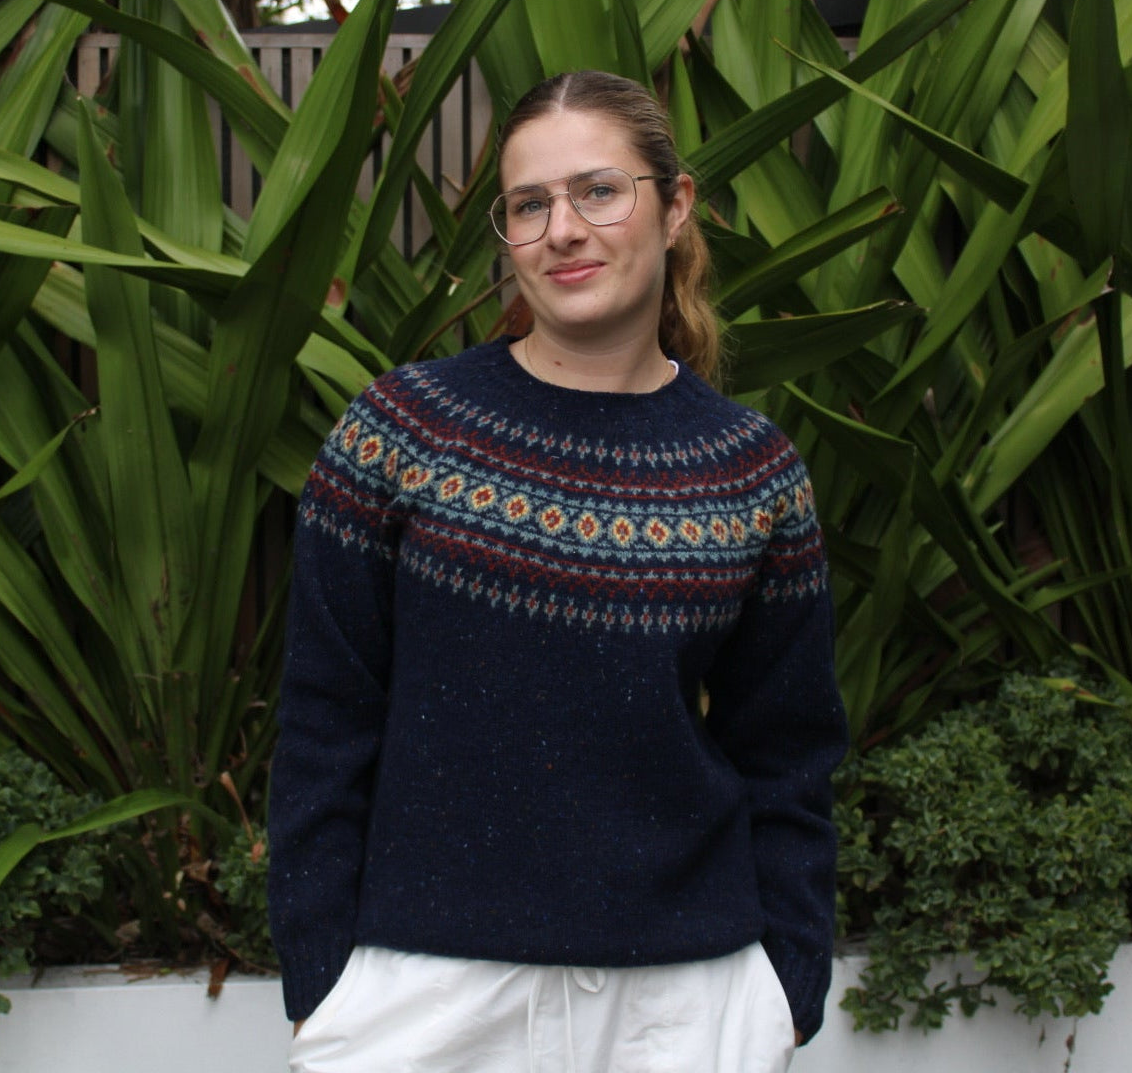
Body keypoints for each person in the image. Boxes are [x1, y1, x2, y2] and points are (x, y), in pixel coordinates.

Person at [268, 70, 848, 1073]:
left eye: (598, 191)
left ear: (674, 206)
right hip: (425, 998)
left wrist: (787, 985)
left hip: (685, 1003)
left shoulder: (749, 471)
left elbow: (787, 749)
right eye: (529, 204)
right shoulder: (402, 431)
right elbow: (326, 716)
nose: (563, 230)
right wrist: (322, 980)